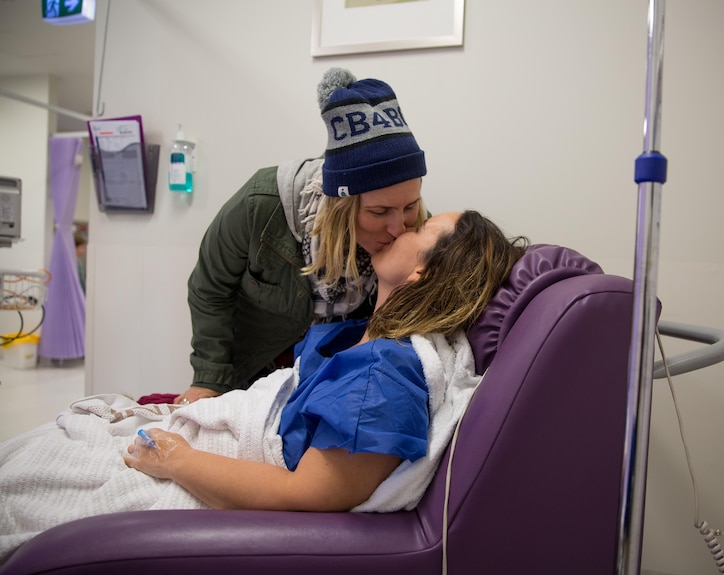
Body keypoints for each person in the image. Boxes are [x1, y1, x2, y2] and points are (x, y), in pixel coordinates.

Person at [0, 210, 527, 560]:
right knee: (38, 452)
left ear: (422, 273)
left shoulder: (385, 373)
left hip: (222, 469)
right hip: (219, 442)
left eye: (418, 225)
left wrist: (178, 460)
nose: (399, 225)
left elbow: (314, 493)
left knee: (28, 486)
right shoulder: (370, 340)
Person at [178, 67, 429, 405]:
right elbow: (209, 289)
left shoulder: (418, 232)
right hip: (251, 379)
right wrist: (209, 379)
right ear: (340, 206)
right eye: (378, 212)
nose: (399, 228)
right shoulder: (261, 206)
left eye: (410, 206)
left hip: (330, 382)